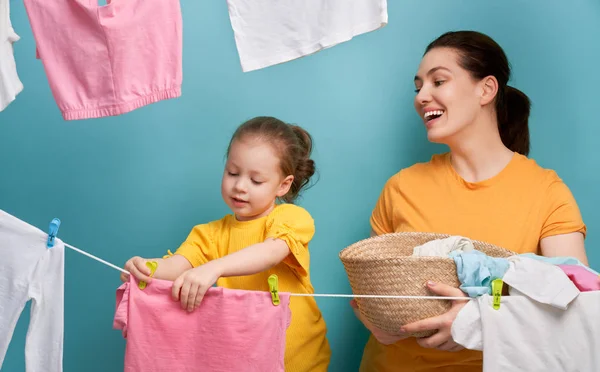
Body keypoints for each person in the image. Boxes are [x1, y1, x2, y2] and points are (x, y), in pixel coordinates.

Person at [352, 30, 589, 371]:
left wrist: (478, 324)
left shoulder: (547, 192)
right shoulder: (400, 188)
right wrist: (374, 321)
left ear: (486, 89)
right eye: (418, 86)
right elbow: (370, 292)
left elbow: (577, 310)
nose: (422, 96)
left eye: (438, 81)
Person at [121, 116, 331, 372]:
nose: (240, 186)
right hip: (245, 361)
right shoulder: (209, 234)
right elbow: (178, 264)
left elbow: (270, 252)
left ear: (283, 185)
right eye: (232, 173)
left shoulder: (291, 219)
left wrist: (214, 268)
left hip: (301, 362)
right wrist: (147, 267)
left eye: (256, 180)